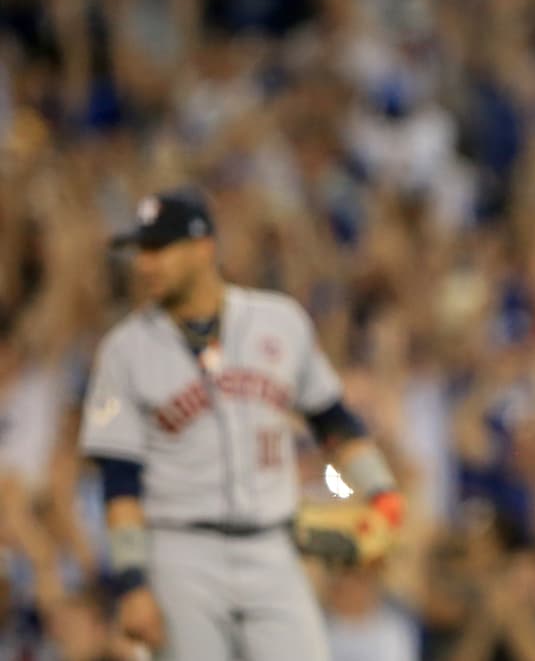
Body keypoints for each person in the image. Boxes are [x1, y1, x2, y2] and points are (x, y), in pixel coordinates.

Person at [79, 188, 404, 661]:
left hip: (273, 546)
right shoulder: (124, 350)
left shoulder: (280, 321)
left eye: (159, 249)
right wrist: (133, 584)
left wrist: (382, 492)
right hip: (181, 553)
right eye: (141, 251)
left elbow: (332, 419)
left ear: (203, 249)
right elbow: (119, 480)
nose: (145, 264)